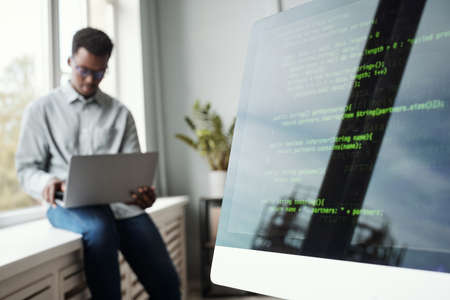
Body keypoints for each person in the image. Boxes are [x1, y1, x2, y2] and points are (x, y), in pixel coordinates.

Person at [15, 27, 180, 300]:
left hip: (123, 209)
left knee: (168, 286)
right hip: (67, 205)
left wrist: (142, 194)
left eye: (99, 72)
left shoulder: (120, 114)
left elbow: (133, 171)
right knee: (100, 228)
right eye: (83, 70)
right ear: (69, 62)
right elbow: (25, 170)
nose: (90, 80)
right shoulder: (41, 110)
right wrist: (47, 182)